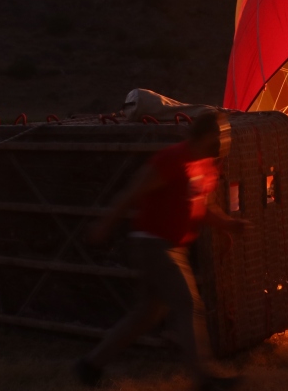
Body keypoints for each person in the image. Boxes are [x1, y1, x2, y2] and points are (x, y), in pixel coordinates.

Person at [74, 112, 247, 389]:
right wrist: (104, 224)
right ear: (205, 136)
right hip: (153, 243)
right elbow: (134, 191)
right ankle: (204, 379)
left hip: (174, 247)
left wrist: (227, 224)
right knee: (188, 303)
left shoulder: (205, 165)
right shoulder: (173, 159)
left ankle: (90, 366)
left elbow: (202, 205)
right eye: (220, 134)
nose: (224, 140)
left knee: (147, 314)